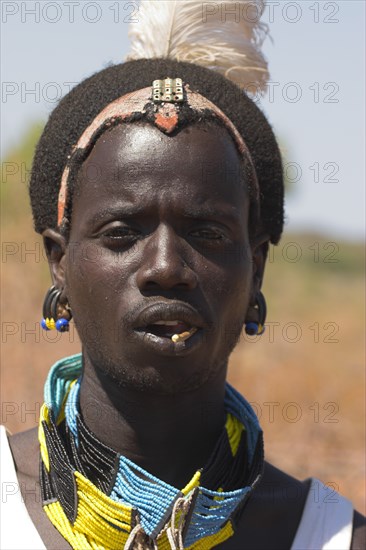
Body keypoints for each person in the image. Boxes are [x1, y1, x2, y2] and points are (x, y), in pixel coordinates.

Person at [1, 4, 365, 550]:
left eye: (207, 233)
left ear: (257, 269)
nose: (166, 268)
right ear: (60, 264)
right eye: (122, 232)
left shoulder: (328, 535)